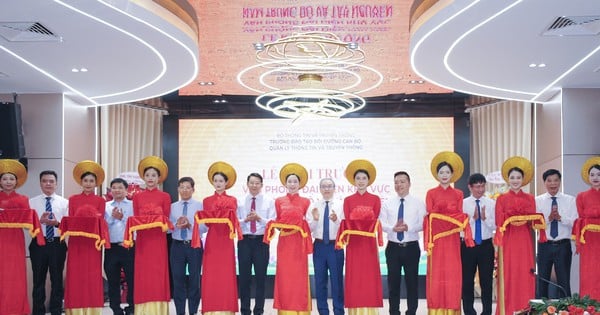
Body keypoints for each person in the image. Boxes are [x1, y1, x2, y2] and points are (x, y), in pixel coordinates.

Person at [494, 156, 546, 315]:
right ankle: (507, 310)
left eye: (518, 177)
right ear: (507, 179)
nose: (515, 180)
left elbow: (533, 222)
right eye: (512, 177)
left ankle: (526, 309)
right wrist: (511, 217)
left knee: (524, 274)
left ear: (524, 179)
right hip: (508, 240)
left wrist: (536, 219)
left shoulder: (530, 198)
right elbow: (498, 221)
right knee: (508, 274)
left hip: (524, 240)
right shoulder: (501, 199)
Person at [424, 151, 472, 315]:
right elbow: (431, 216)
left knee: (452, 273)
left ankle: (452, 309)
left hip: (452, 240)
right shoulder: (431, 193)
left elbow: (459, 217)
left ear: (453, 175)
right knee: (436, 273)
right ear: (436, 175)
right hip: (436, 241)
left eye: (447, 172)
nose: (444, 175)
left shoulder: (458, 194)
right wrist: (447, 219)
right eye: (441, 172)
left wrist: (444, 219)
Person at [263, 162, 313, 315]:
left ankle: (301, 309)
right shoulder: (278, 201)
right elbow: (275, 221)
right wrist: (278, 225)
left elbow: (309, 223)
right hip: (284, 242)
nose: (292, 184)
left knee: (299, 277)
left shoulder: (306, 202)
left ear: (300, 184)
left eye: (295, 182)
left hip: (299, 244)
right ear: (285, 183)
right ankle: (285, 310)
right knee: (285, 277)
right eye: (289, 181)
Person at [192, 161, 241, 315]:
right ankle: (211, 308)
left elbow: (233, 221)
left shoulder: (232, 200)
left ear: (226, 183)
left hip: (226, 240)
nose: (218, 183)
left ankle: (227, 308)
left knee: (226, 273)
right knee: (211, 274)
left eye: (221, 181)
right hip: (212, 239)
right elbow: (206, 223)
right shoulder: (207, 201)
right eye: (216, 181)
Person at [62, 160, 109, 315]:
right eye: (85, 181)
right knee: (75, 275)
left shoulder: (100, 201)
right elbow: (71, 221)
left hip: (93, 244)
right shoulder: (73, 199)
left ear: (96, 183)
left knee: (92, 275)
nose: (88, 184)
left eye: (91, 181)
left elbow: (101, 221)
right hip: (76, 243)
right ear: (81, 182)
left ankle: (92, 309)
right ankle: (75, 308)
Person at [126, 156, 172, 314]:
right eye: (147, 175)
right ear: (143, 177)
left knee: (158, 274)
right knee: (143, 275)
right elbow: (136, 218)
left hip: (158, 240)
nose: (150, 178)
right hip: (143, 241)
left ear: (159, 178)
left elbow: (165, 219)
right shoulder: (137, 197)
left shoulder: (165, 197)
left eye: (154, 175)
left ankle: (159, 309)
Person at [338, 159, 383, 314]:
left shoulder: (375, 199)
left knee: (369, 276)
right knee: (355, 277)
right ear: (353, 181)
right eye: (358, 178)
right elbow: (347, 221)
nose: (361, 181)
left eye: (364, 178)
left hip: (369, 244)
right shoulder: (348, 200)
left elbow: (375, 220)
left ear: (369, 180)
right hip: (354, 245)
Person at [0, 159, 44, 315]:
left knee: (15, 275)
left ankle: (16, 309)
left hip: (15, 241)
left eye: (11, 179)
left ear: (16, 181)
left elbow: (28, 220)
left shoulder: (23, 199)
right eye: (4, 178)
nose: (8, 182)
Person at [380, 171, 425, 315]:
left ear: (409, 184)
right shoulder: (387, 203)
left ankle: (411, 311)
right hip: (393, 247)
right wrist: (391, 228)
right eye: (396, 182)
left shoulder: (418, 203)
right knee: (393, 283)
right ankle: (394, 311)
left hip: (411, 247)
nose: (399, 185)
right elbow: (381, 223)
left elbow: (424, 224)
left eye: (402, 181)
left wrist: (409, 228)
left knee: (412, 282)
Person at [29, 170, 69, 315]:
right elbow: (26, 224)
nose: (48, 184)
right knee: (38, 280)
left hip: (57, 245)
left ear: (56, 184)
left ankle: (56, 311)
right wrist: (38, 222)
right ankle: (38, 312)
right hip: (38, 244)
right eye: (45, 181)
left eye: (51, 181)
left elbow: (69, 225)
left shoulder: (65, 203)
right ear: (40, 183)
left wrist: (56, 223)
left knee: (57, 279)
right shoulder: (31, 202)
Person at [237, 173, 275, 315]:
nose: (254, 185)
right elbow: (234, 221)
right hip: (244, 241)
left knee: (261, 278)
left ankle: (259, 310)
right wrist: (245, 220)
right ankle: (245, 310)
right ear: (247, 184)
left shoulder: (269, 201)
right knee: (244, 278)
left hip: (261, 242)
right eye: (251, 183)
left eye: (257, 183)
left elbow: (273, 221)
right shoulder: (239, 201)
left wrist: (259, 218)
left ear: (261, 185)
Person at [535, 169, 577, 299]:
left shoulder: (570, 200)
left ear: (560, 181)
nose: (553, 183)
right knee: (542, 281)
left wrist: (560, 218)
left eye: (556, 180)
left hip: (563, 245)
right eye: (549, 181)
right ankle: (540, 311)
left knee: (564, 281)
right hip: (544, 245)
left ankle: (567, 310)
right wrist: (548, 219)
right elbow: (535, 224)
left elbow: (575, 222)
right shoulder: (538, 200)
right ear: (544, 182)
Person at [307, 178, 345, 315]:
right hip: (319, 246)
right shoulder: (313, 206)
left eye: (329, 186)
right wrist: (315, 220)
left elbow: (345, 228)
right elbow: (308, 229)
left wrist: (337, 220)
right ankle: (323, 311)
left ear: (335, 188)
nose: (326, 189)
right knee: (320, 281)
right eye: (324, 186)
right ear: (320, 189)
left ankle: (339, 311)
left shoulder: (341, 206)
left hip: (336, 246)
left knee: (337, 281)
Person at [461, 173, 496, 315]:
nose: (480, 190)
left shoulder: (491, 203)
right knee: (467, 280)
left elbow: (495, 225)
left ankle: (487, 311)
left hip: (486, 246)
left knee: (486, 280)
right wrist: (472, 220)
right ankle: (469, 311)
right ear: (470, 187)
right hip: (468, 245)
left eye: (482, 186)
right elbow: (459, 226)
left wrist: (484, 218)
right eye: (477, 186)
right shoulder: (463, 203)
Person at [170, 176, 204, 315]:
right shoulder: (173, 206)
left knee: (194, 279)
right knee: (178, 279)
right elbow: (166, 227)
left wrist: (191, 226)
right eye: (182, 187)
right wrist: (176, 226)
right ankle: (179, 312)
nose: (184, 190)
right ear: (178, 189)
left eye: (187, 187)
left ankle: (193, 311)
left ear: (193, 189)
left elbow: (205, 227)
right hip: (177, 246)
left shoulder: (199, 206)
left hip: (194, 245)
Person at [104, 178, 135, 315]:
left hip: (129, 247)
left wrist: (122, 217)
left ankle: (131, 307)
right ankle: (115, 308)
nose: (117, 190)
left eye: (120, 187)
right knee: (112, 279)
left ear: (126, 190)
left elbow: (135, 224)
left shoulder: (133, 205)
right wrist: (113, 217)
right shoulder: (105, 206)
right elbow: (103, 224)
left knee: (131, 278)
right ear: (111, 190)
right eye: (114, 187)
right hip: (111, 248)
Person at [573, 156, 600, 300]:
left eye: (599, 174)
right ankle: (588, 305)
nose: (595, 177)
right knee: (589, 272)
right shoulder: (581, 196)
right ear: (588, 177)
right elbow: (581, 216)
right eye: (592, 174)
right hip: (588, 240)